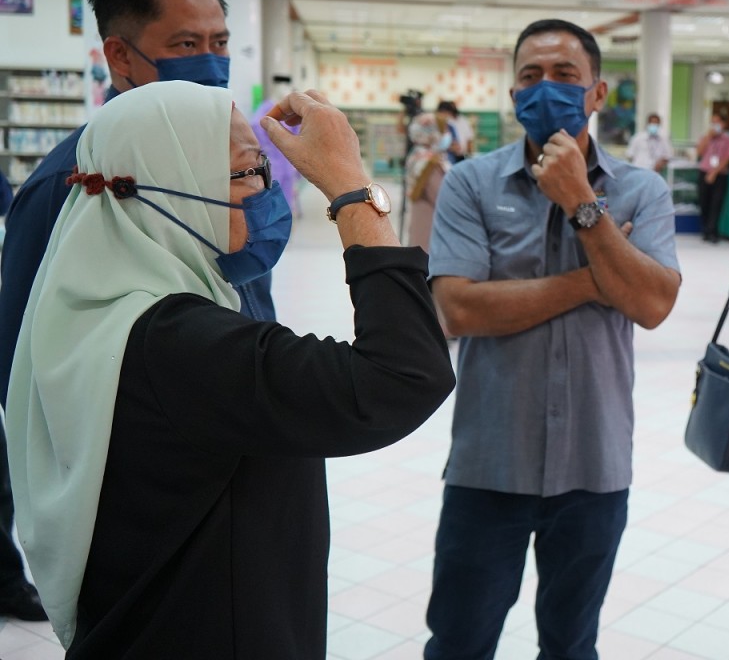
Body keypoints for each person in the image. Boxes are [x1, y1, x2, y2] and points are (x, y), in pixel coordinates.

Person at [5, 81, 456, 656]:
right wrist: (349, 189)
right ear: (174, 187)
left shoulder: (92, 310)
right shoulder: (181, 345)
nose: (266, 190)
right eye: (247, 171)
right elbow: (402, 376)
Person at [0, 0, 263, 625]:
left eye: (219, 43)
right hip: (154, 506)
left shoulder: (227, 164)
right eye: (185, 45)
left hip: (247, 469)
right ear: (119, 57)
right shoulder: (66, 188)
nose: (211, 61)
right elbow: (29, 371)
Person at [424, 18, 681, 660]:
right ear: (514, 94)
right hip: (491, 460)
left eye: (565, 75)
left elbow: (652, 304)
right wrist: (599, 280)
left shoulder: (641, 191)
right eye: (531, 76)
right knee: (459, 642)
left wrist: (581, 203)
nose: (546, 88)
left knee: (571, 645)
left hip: (594, 462)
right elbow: (459, 309)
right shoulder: (470, 183)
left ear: (597, 93)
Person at [406, 112, 451, 252]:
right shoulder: (430, 163)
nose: (447, 134)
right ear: (433, 133)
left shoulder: (417, 155)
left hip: (420, 221)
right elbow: (443, 198)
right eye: (443, 130)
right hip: (432, 230)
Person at [695, 112, 729, 242]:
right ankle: (705, 230)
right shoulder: (706, 137)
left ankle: (713, 231)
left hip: (720, 174)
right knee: (704, 202)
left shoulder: (728, 140)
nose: (715, 125)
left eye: (718, 122)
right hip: (704, 172)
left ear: (723, 124)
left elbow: (728, 157)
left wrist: (714, 172)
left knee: (716, 203)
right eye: (713, 122)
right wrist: (708, 137)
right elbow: (699, 152)